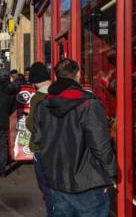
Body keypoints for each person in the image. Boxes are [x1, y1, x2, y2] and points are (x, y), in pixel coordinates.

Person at [31, 59, 116, 216]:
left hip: (56, 181)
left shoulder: (42, 106)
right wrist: (111, 174)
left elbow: (36, 142)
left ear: (56, 77)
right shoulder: (89, 104)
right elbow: (101, 146)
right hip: (88, 184)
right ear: (78, 75)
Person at [25, 62, 52, 215]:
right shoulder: (58, 92)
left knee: (46, 187)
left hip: (41, 147)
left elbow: (31, 124)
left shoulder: (37, 98)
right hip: (59, 147)